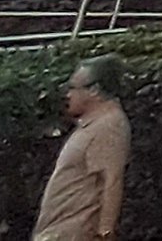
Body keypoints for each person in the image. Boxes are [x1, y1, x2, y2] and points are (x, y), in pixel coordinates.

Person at [34, 55, 129, 241]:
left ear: (94, 90)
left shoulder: (109, 125)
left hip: (75, 232)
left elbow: (112, 180)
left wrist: (105, 233)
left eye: (73, 88)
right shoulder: (93, 125)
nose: (68, 94)